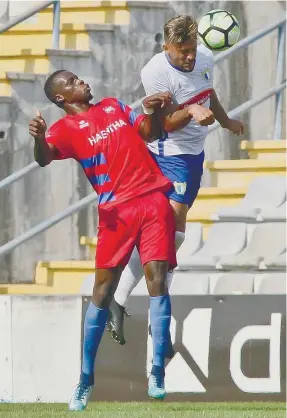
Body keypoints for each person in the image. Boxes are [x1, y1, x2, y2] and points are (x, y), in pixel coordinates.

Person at [28, 69, 186, 409]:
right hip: (116, 211)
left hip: (153, 198)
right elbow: (43, 158)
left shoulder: (114, 106)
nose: (81, 81)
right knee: (102, 290)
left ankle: (157, 369)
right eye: (71, 82)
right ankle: (85, 379)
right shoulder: (64, 129)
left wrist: (148, 112)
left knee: (157, 280)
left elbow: (148, 133)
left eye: (77, 78)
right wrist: (39, 138)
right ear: (61, 98)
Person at [107, 15, 244, 349]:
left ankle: (131, 302)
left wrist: (225, 121)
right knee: (171, 226)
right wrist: (191, 112)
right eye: (183, 50)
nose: (190, 56)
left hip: (193, 156)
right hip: (167, 153)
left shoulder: (206, 58)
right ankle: (139, 308)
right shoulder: (154, 72)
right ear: (166, 46)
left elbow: (208, 92)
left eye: (193, 49)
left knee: (174, 235)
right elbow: (163, 124)